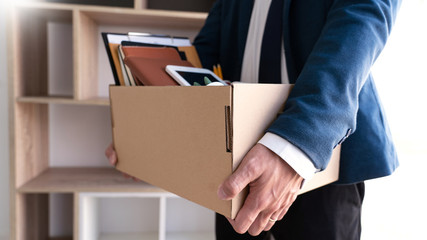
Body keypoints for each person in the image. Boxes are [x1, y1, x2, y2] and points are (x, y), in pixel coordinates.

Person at [106, 0, 401, 239]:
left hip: (320, 155)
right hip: (233, 156)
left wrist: (296, 145)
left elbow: (362, 19)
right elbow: (202, 56)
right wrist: (151, 132)